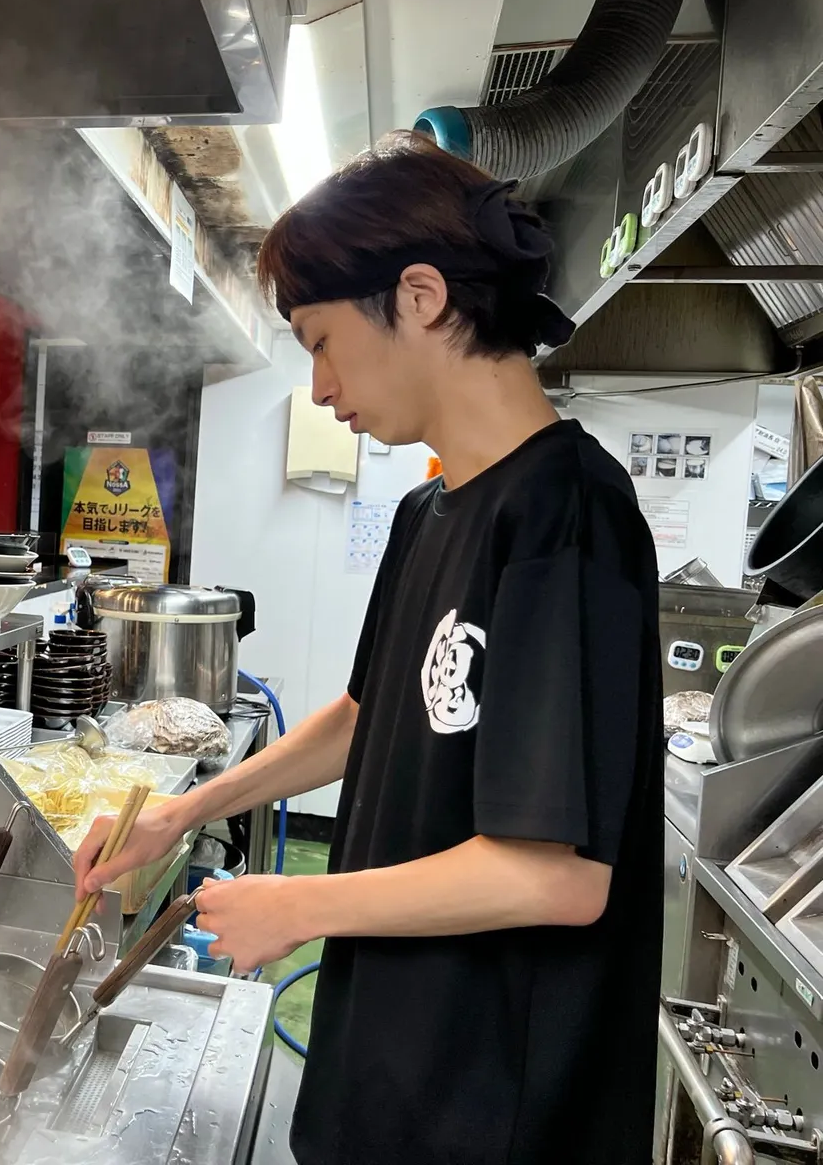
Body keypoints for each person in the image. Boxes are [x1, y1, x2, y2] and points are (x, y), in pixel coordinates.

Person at [72, 132, 663, 1165]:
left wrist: (298, 902)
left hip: (491, 1111)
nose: (319, 386)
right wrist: (183, 809)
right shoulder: (429, 511)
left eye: (319, 340)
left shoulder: (565, 514)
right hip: (389, 1069)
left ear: (421, 296)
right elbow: (365, 712)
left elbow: (554, 878)